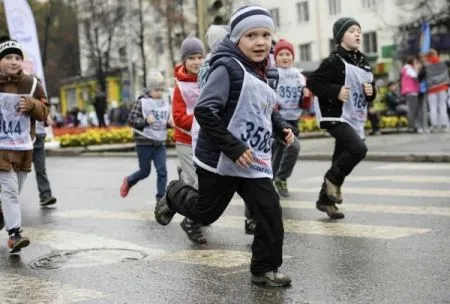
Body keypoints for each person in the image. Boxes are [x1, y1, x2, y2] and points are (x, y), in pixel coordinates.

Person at [155, 5, 294, 286]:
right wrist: (233, 146)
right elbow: (205, 111)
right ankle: (174, 193)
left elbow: (263, 107)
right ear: (237, 39)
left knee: (269, 209)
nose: (260, 42)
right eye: (251, 35)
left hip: (252, 159)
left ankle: (264, 269)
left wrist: (281, 128)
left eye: (266, 35)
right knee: (207, 211)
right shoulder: (227, 67)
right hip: (219, 156)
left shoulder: (265, 70)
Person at [307, 17, 376, 219]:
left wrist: (372, 92)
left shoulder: (364, 62)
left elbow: (371, 91)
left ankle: (325, 200)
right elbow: (313, 83)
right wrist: (335, 91)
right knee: (358, 149)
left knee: (341, 157)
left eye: (359, 31)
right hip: (335, 116)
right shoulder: (334, 61)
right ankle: (332, 179)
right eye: (352, 30)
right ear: (340, 37)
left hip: (355, 116)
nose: (357, 34)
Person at [0, 36, 49, 253]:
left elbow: (45, 112)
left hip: (23, 147)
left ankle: (2, 213)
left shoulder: (32, 84)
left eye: (17, 57)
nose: (13, 61)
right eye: (8, 57)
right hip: (1, 148)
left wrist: (32, 104)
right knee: (9, 190)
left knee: (14, 190)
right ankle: (14, 234)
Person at [172, 36, 207, 244]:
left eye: (200, 57)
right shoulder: (180, 87)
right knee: (198, 182)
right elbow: (177, 118)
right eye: (192, 58)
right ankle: (190, 221)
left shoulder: (210, 78)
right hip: (185, 140)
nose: (197, 62)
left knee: (207, 181)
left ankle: (184, 178)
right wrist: (202, 119)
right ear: (184, 61)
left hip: (205, 141)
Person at [120, 72, 169, 202]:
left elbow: (163, 121)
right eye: (156, 89)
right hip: (144, 143)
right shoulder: (141, 102)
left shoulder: (164, 103)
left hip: (159, 144)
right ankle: (129, 181)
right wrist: (145, 121)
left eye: (161, 90)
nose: (159, 93)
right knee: (145, 172)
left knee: (162, 171)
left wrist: (169, 124)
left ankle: (161, 200)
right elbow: (131, 120)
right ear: (149, 89)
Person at [271, 39, 310, 197]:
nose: (285, 57)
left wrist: (307, 97)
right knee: (293, 146)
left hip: (294, 118)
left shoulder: (299, 76)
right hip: (278, 118)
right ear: (276, 57)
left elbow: (305, 103)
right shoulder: (273, 74)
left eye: (288, 54)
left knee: (279, 150)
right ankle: (281, 178)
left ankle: (269, 180)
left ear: (293, 57)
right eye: (281, 54)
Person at [424, 49, 450, 132]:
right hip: (442, 87)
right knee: (442, 106)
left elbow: (419, 77)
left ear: (427, 56)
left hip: (431, 89)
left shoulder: (426, 66)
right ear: (435, 54)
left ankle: (434, 126)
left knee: (433, 107)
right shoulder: (443, 63)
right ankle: (444, 125)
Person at [33, 117, 57, 207]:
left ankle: (45, 196)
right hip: (23, 139)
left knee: (41, 169)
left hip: (39, 137)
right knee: (18, 171)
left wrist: (46, 118)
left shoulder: (42, 102)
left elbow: (49, 121)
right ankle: (9, 198)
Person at [401, 56, 423, 133]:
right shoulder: (408, 68)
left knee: (414, 110)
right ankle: (412, 127)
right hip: (411, 92)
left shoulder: (407, 68)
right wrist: (417, 68)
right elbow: (415, 76)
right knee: (413, 110)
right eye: (415, 62)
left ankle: (414, 126)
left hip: (411, 92)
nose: (416, 63)